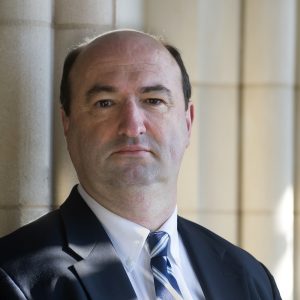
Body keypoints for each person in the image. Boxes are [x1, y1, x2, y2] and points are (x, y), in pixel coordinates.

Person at [0, 29, 281, 300]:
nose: (133, 126)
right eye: (105, 103)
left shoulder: (250, 278)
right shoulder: (13, 277)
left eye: (154, 100)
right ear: (67, 123)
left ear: (187, 122)